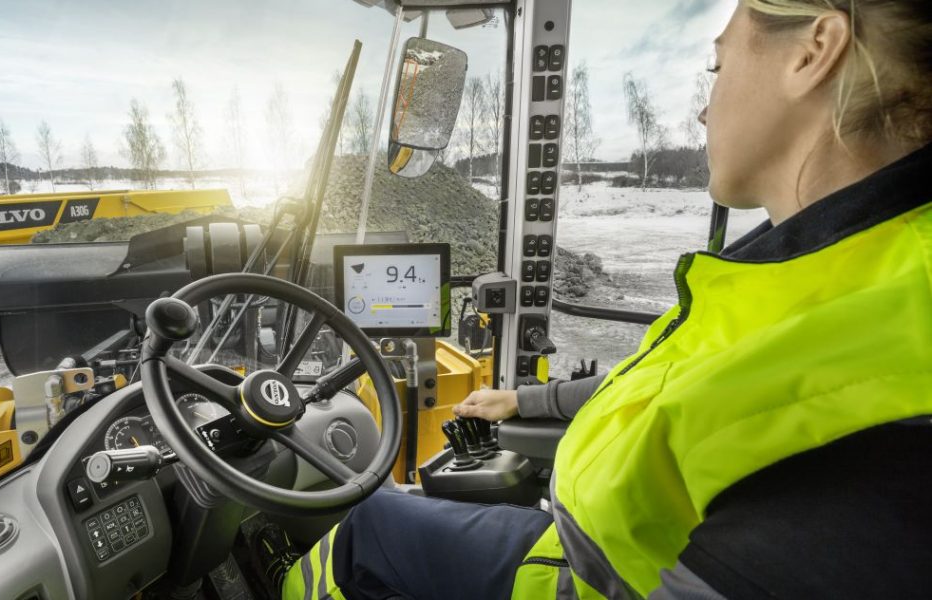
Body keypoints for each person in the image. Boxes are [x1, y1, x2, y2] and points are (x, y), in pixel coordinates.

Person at [261, 0, 932, 597]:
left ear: (814, 51)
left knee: (361, 535)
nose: (705, 105)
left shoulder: (893, 336)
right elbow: (672, 390)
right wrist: (522, 400)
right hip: (586, 549)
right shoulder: (816, 270)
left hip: (585, 576)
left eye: (717, 67)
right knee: (378, 517)